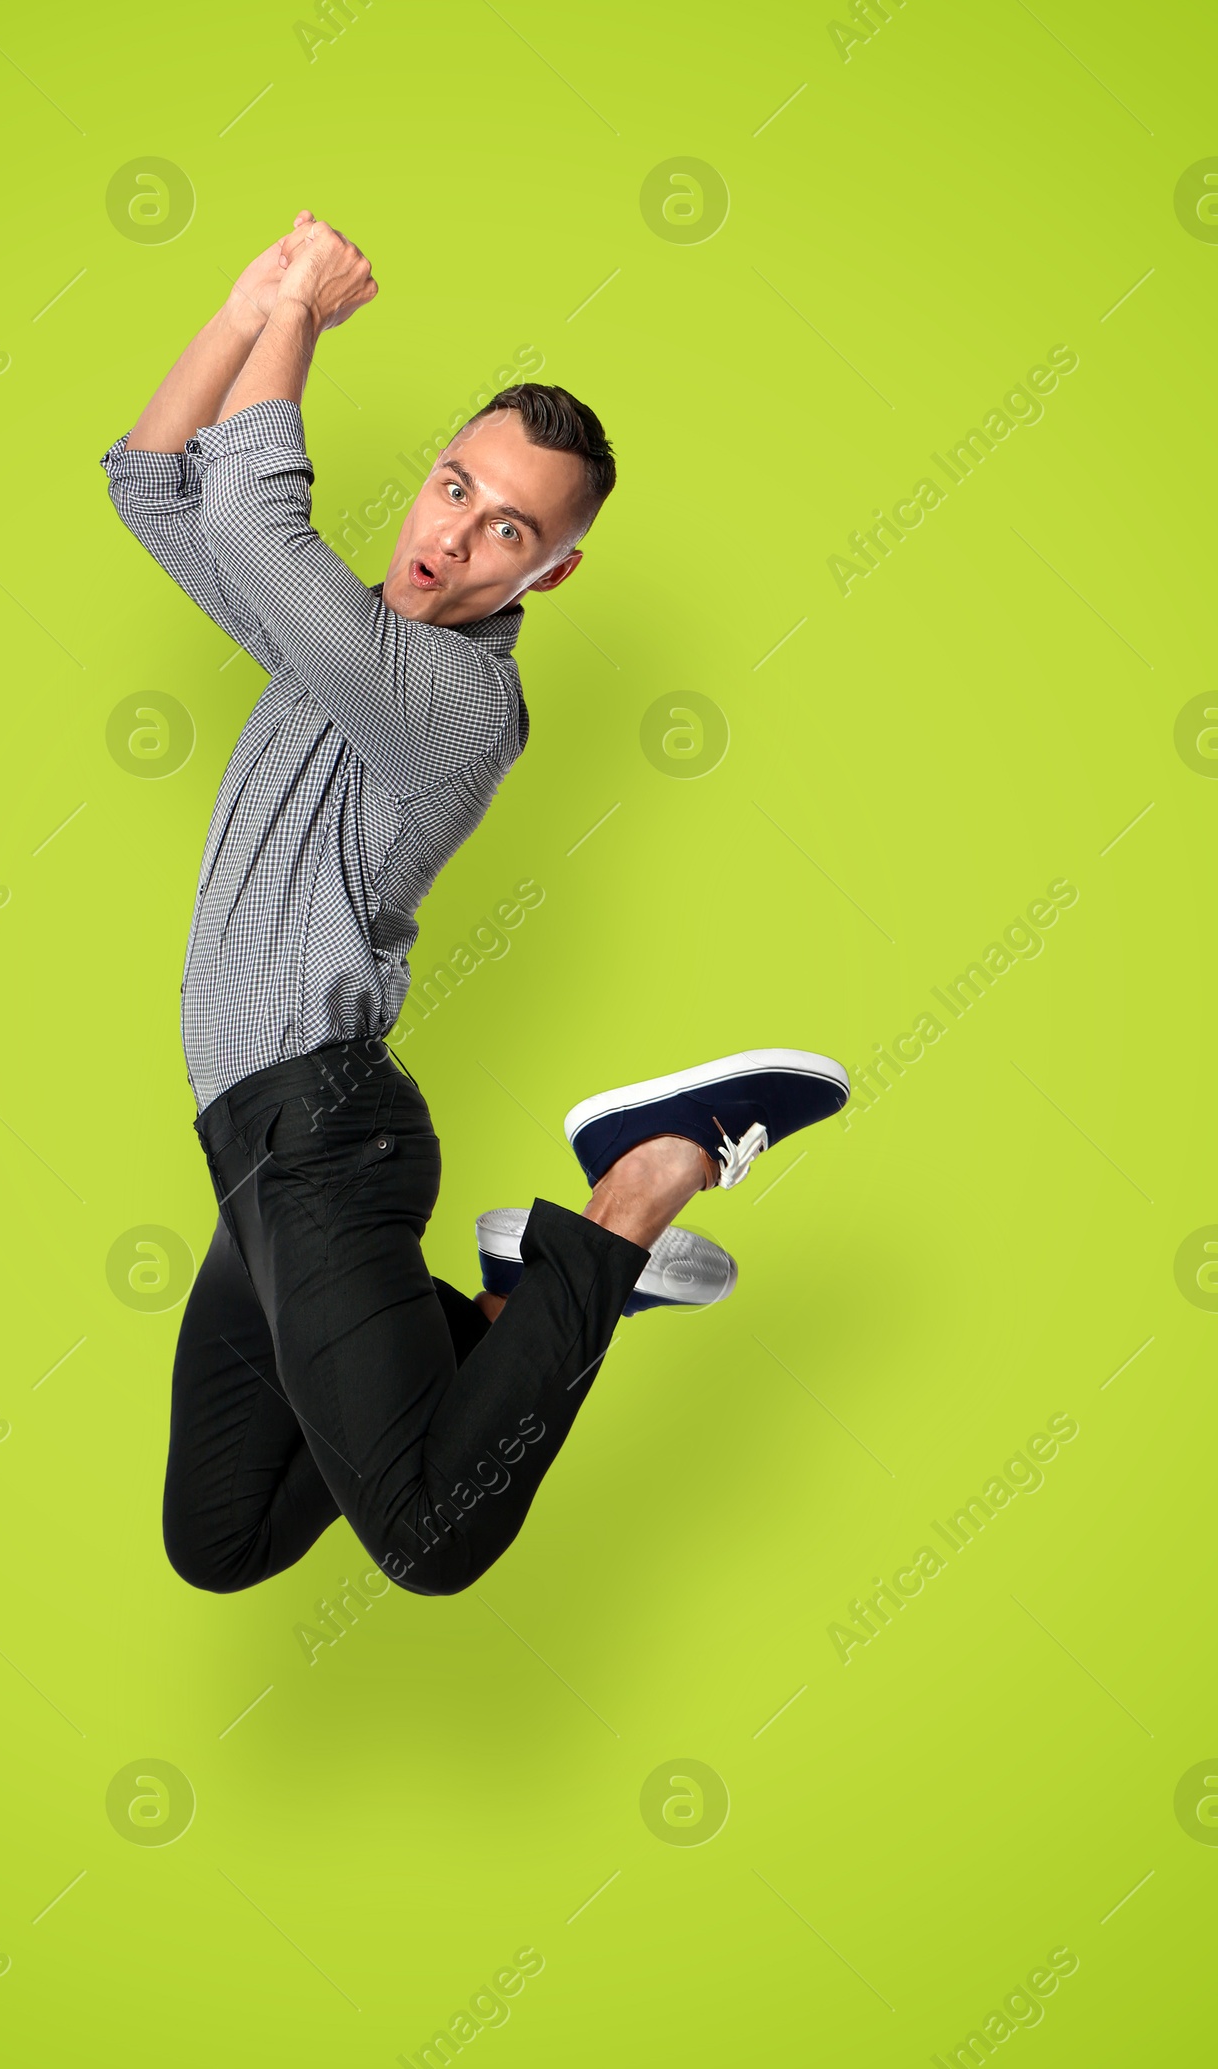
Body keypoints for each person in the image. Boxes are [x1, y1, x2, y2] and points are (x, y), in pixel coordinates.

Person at [102, 212, 848, 1596]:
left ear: (548, 572)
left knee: (436, 1539)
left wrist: (304, 318)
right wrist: (244, 304)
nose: (455, 537)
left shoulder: (454, 702)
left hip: (326, 1139)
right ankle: (518, 1298)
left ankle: (645, 1179)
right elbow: (153, 485)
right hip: (255, 1161)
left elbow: (257, 524)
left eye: (509, 527)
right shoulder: (339, 647)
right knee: (221, 1538)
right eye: (455, 486)